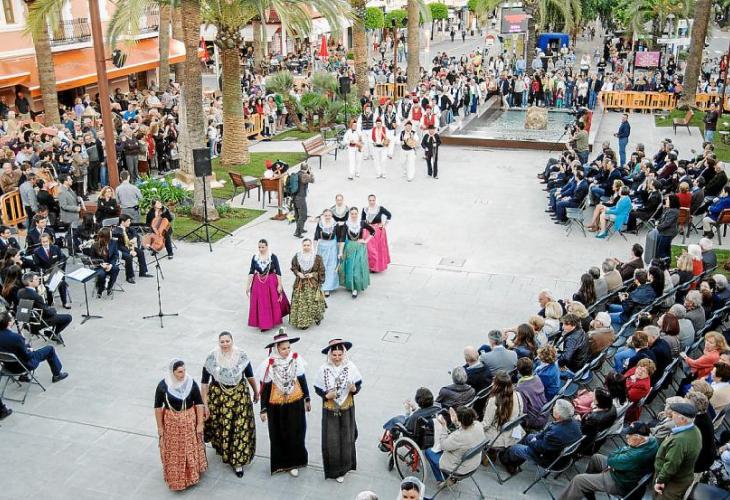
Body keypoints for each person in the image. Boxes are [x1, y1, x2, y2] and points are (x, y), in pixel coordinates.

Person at [201, 332, 258, 478]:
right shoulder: (212, 358)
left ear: (232, 341)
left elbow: (250, 375)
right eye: (222, 341)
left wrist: (256, 391)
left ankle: (238, 463)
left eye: (227, 341)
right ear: (218, 342)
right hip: (220, 399)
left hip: (239, 397)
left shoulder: (241, 356)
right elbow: (204, 383)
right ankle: (225, 450)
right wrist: (205, 405)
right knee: (224, 427)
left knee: (240, 428)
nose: (225, 344)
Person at [557, 421, 659, 500]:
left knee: (579, 480)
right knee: (596, 458)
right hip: (625, 472)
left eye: (630, 435)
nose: (627, 436)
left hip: (620, 482)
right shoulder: (651, 440)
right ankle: (588, 490)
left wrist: (618, 457)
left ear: (638, 437)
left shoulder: (636, 455)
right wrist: (620, 454)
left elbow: (612, 459)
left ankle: (582, 487)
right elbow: (617, 455)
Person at [256, 331, 310, 477]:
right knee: (279, 433)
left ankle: (295, 462)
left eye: (288, 348)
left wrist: (307, 398)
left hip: (295, 402)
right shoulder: (269, 364)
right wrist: (263, 409)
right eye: (283, 348)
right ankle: (282, 463)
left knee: (297, 431)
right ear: (276, 349)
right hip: (277, 405)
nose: (286, 351)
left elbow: (302, 379)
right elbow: (265, 388)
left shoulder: (295, 360)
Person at [154, 359, 207, 491]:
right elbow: (157, 407)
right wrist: (160, 427)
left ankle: (191, 476)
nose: (182, 374)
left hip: (189, 422)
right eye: (179, 372)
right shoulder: (163, 386)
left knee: (189, 447)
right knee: (175, 450)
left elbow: (199, 403)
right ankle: (176, 480)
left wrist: (200, 424)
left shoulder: (190, 383)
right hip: (171, 423)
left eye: (183, 371)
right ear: (172, 372)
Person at [313, 339, 362, 483]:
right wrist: (326, 395)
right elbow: (317, 387)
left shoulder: (350, 367)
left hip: (347, 406)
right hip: (330, 408)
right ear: (330, 355)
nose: (337, 358)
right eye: (334, 355)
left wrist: (354, 389)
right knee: (332, 439)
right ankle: (335, 471)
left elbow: (358, 383)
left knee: (347, 437)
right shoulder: (323, 369)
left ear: (344, 354)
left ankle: (346, 467)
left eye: (340, 355)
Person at [499, 399, 583, 475]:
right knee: (529, 437)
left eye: (555, 408)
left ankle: (505, 460)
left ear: (558, 416)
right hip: (557, 453)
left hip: (548, 459)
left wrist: (533, 441)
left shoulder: (555, 433)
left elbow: (540, 448)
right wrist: (535, 438)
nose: (553, 408)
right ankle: (515, 462)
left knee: (515, 448)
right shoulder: (575, 423)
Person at [0, 311, 68, 382]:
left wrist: (25, 346)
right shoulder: (16, 338)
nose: (13, 319)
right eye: (12, 318)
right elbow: (28, 357)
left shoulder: (14, 337)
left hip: (7, 366)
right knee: (50, 349)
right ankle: (57, 375)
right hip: (23, 366)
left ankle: (24, 376)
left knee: (27, 345)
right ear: (9, 323)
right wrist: (30, 350)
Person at [653, 402, 702, 499]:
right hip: (682, 476)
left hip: (672, 482)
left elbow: (671, 465)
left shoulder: (679, 441)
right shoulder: (694, 429)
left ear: (683, 419)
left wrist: (660, 481)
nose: (671, 414)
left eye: (674, 413)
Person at [425, 406, 485, 482]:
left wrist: (444, 426)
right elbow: (466, 427)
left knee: (429, 452)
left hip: (460, 469)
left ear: (460, 420)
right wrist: (456, 422)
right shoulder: (478, 425)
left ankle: (444, 479)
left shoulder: (459, 436)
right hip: (473, 464)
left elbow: (443, 446)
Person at [246, 239, 290, 331]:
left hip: (270, 281)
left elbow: (278, 271)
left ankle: (272, 320)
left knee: (271, 302)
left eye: (263, 247)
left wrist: (279, 285)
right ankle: (264, 323)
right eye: (259, 247)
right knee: (262, 304)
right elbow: (251, 271)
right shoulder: (255, 257)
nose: (261, 249)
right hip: (258, 282)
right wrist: (248, 286)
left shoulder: (273, 257)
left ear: (267, 246)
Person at [17, 271, 72, 337]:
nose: (39, 280)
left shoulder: (20, 292)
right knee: (68, 317)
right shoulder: (36, 297)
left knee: (53, 312)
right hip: (39, 322)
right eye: (36, 279)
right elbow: (48, 312)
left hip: (27, 321)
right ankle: (52, 334)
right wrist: (53, 310)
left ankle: (52, 332)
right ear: (30, 282)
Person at [289, 239, 325, 329]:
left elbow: (321, 270)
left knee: (314, 302)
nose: (306, 247)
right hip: (300, 283)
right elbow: (293, 267)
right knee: (302, 304)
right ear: (302, 246)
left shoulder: (317, 257)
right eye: (304, 245)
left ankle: (317, 317)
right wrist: (298, 273)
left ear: (311, 245)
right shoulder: (297, 256)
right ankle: (304, 322)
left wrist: (313, 274)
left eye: (308, 245)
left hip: (312, 284)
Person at [482, 371, 525, 448]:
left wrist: (474, 427)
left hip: (498, 438)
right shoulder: (518, 394)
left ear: (496, 385)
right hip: (514, 434)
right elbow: (520, 413)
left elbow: (486, 425)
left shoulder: (493, 400)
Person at [339, 207, 374, 298]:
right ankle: (351, 285)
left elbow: (373, 231)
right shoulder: (346, 224)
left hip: (360, 248)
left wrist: (365, 241)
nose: (354, 215)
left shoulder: (362, 223)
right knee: (350, 267)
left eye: (355, 213)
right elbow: (342, 238)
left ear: (358, 214)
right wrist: (340, 252)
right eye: (352, 214)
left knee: (357, 268)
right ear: (350, 214)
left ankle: (355, 288)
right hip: (350, 247)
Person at [115, 214, 152, 284]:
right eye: (128, 221)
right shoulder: (116, 231)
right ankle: (129, 276)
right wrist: (130, 252)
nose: (130, 223)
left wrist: (135, 237)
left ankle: (143, 272)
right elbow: (119, 246)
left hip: (128, 246)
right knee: (128, 257)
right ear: (123, 222)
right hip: (120, 249)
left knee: (140, 252)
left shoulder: (127, 228)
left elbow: (134, 231)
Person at [314, 209, 342, 298]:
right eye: (325, 215)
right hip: (322, 247)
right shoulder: (320, 224)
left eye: (329, 215)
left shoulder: (335, 224)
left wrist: (340, 251)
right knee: (322, 266)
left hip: (332, 247)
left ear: (331, 216)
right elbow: (316, 237)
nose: (327, 217)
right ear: (323, 215)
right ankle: (321, 284)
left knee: (331, 267)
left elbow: (339, 238)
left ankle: (327, 288)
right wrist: (314, 250)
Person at [361, 195, 392, 273]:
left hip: (378, 231)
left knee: (377, 249)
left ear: (375, 200)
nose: (372, 202)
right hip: (368, 230)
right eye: (370, 200)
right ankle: (370, 266)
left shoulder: (380, 208)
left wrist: (384, 225)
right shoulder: (365, 209)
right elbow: (362, 220)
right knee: (369, 249)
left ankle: (375, 267)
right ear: (368, 201)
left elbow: (389, 215)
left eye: (373, 200)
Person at [515, 358, 548, 429]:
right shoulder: (537, 378)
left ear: (518, 371)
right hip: (545, 414)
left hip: (535, 420)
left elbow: (523, 410)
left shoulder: (520, 388)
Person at [90, 227, 120, 298]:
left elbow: (115, 255)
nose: (112, 234)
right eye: (110, 233)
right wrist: (101, 264)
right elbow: (92, 259)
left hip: (110, 264)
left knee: (116, 269)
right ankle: (100, 290)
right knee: (102, 274)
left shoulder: (113, 242)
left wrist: (111, 265)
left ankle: (110, 287)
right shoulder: (95, 245)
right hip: (99, 266)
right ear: (107, 236)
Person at [292, 163, 313, 238]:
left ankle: (301, 229)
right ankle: (297, 232)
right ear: (306, 168)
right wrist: (310, 172)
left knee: (298, 215)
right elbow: (312, 180)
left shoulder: (297, 174)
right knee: (303, 215)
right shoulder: (304, 175)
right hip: (300, 198)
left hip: (294, 197)